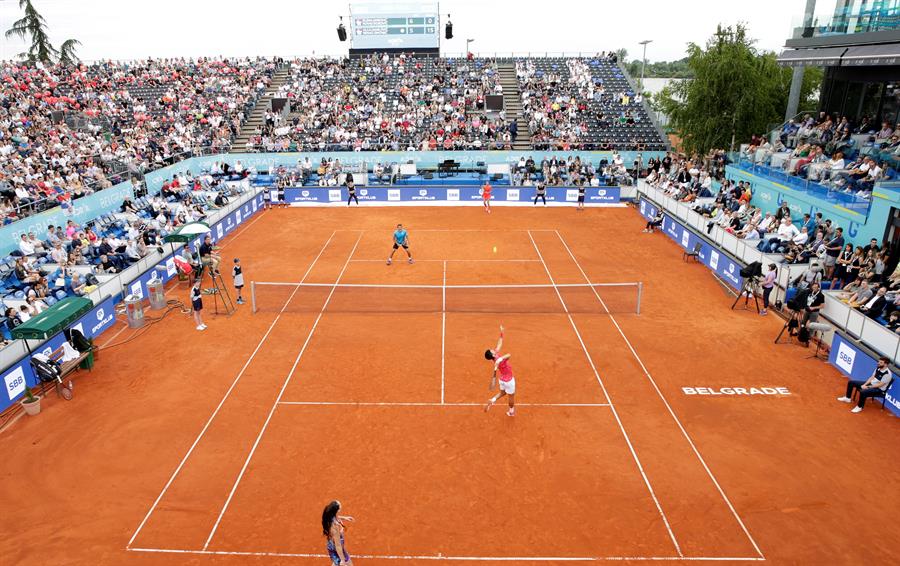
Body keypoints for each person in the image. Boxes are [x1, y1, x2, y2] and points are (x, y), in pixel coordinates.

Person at [484, 325, 517, 417]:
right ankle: (511, 411)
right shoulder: (499, 360)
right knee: (511, 396)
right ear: (493, 354)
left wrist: (502, 332)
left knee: (503, 392)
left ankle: (492, 400)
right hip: (509, 381)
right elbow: (509, 355)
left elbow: (499, 343)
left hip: (502, 379)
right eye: (491, 350)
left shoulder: (495, 355)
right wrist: (500, 359)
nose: (492, 349)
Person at [322, 500, 354, 566]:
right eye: (340, 505)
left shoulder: (330, 517)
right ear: (337, 510)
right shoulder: (335, 527)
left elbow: (335, 517)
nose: (341, 505)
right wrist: (342, 560)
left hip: (331, 545)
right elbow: (338, 545)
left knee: (337, 563)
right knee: (348, 564)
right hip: (336, 548)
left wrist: (345, 518)